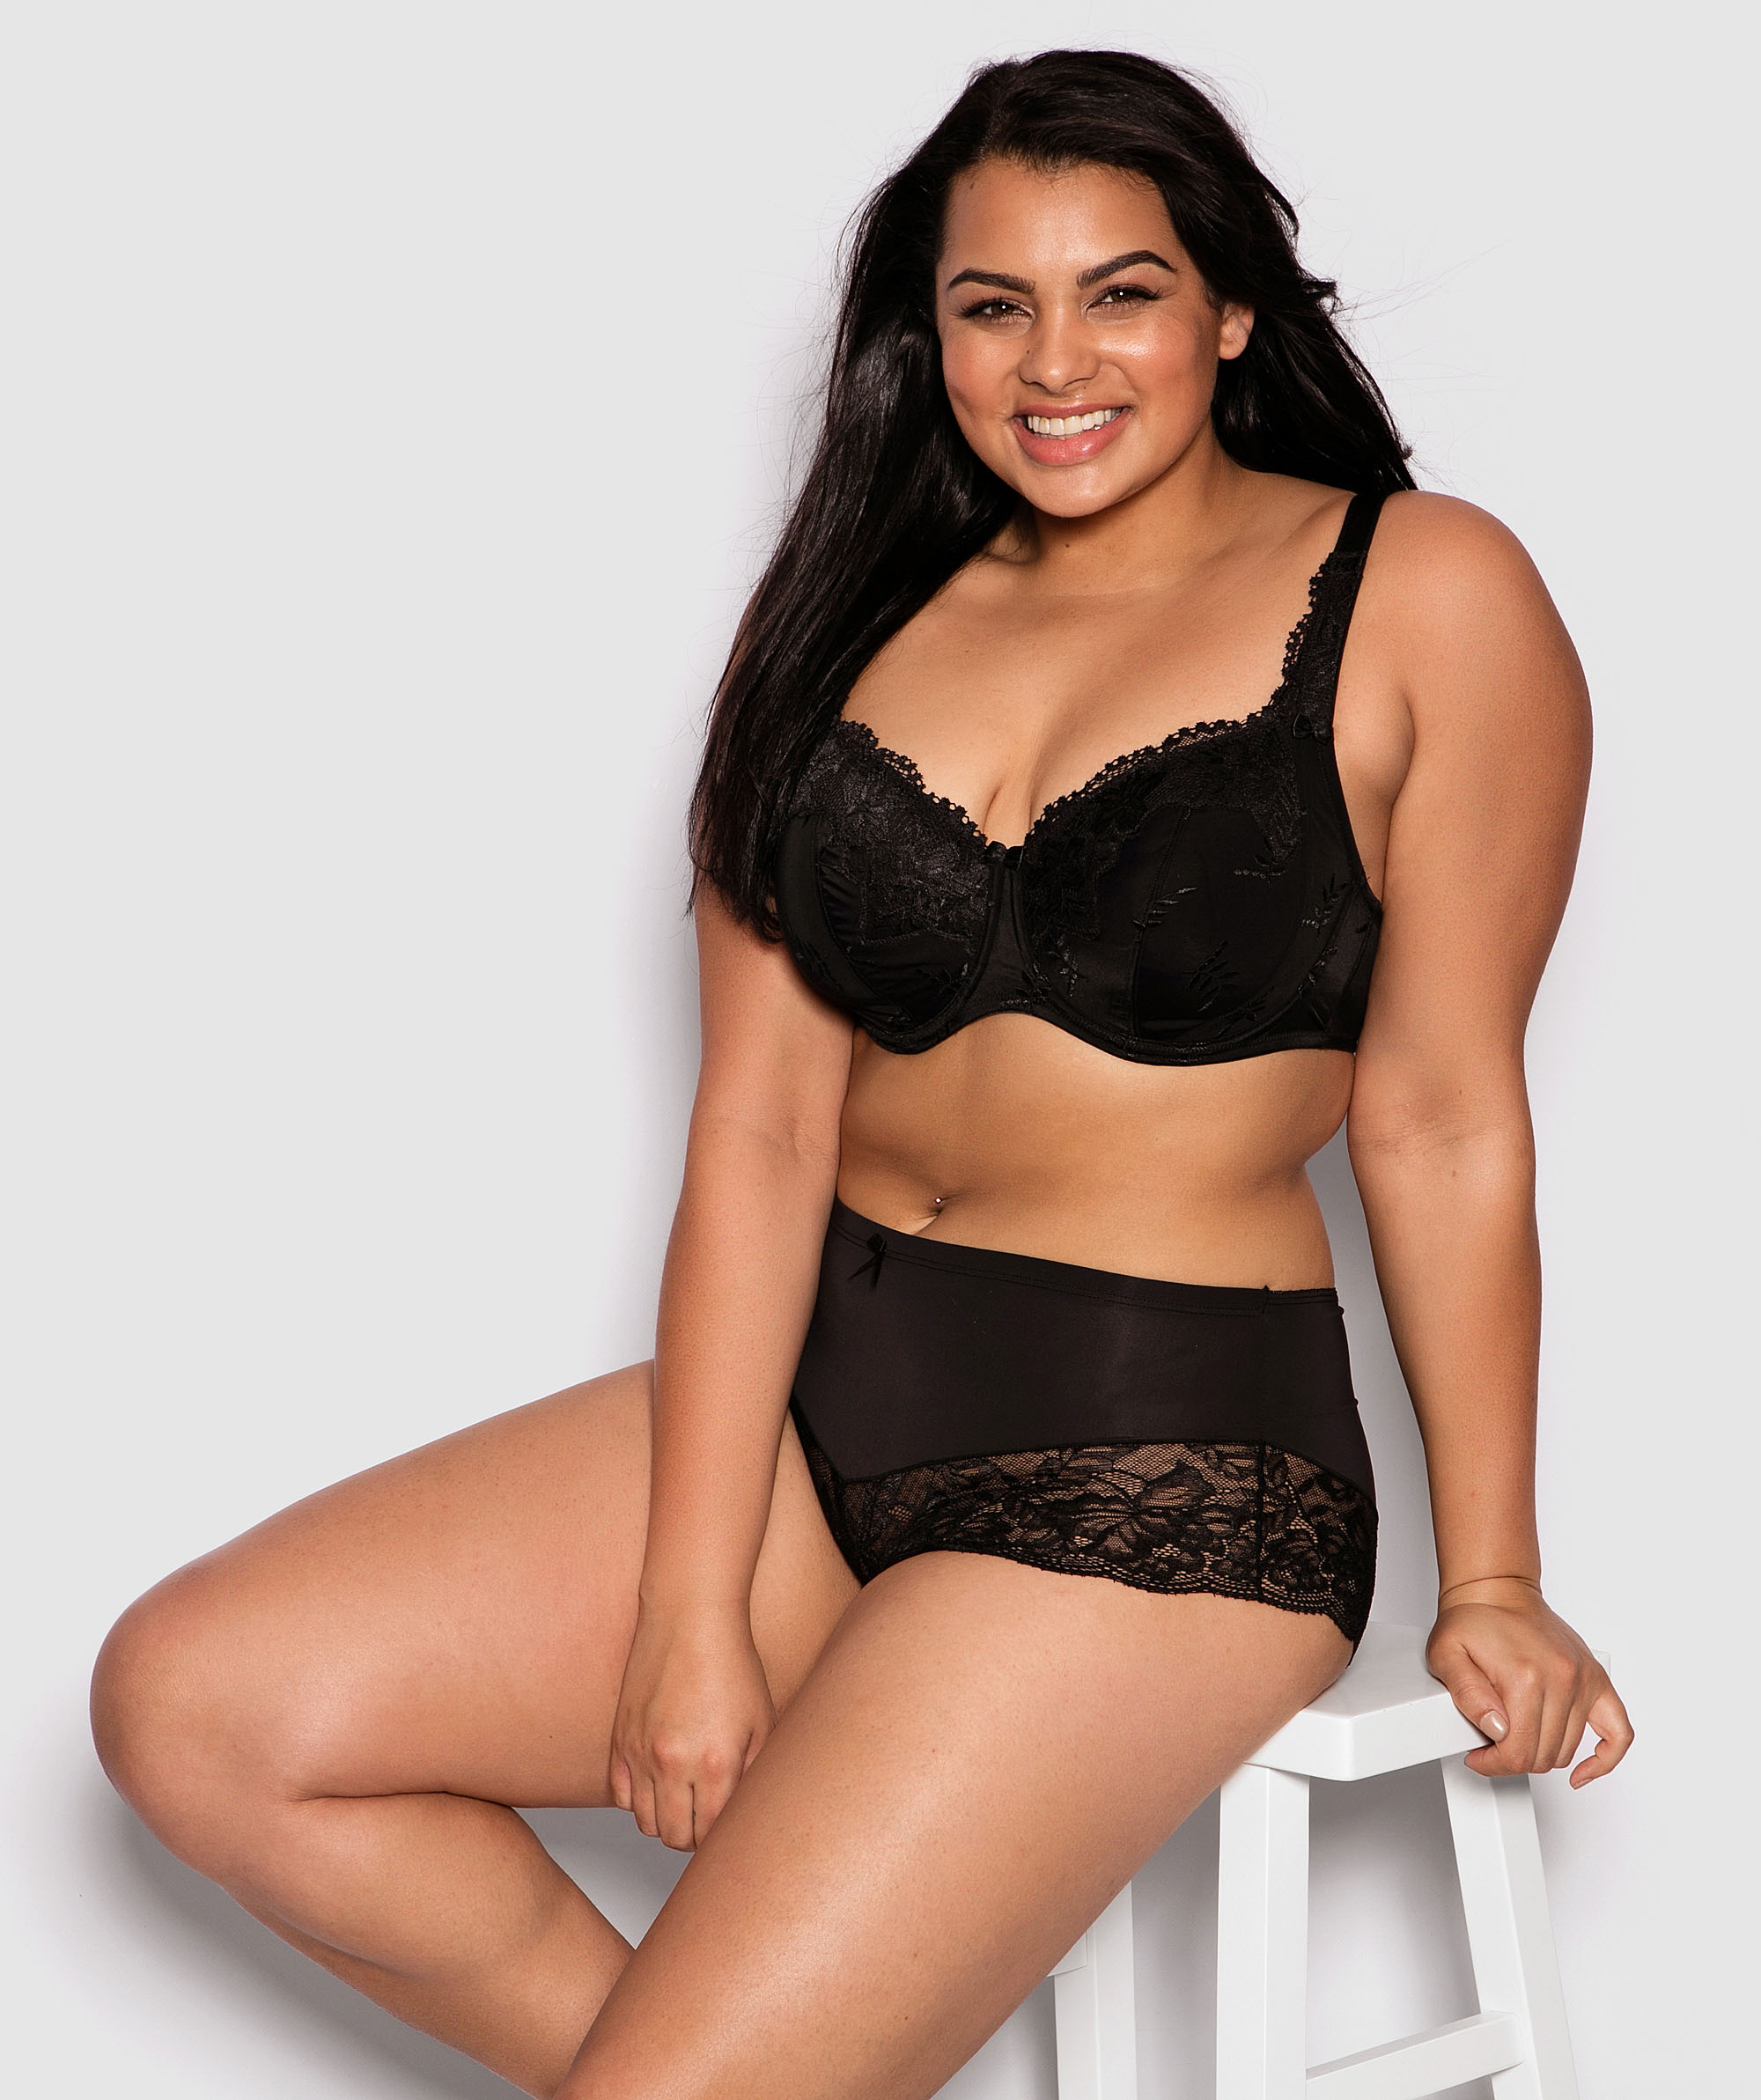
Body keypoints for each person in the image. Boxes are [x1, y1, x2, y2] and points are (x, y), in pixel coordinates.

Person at [88, 48, 1633, 2100]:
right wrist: (689, 1605)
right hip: (827, 1404)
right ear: (931, 332)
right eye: (994, 304)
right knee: (200, 1703)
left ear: (1230, 310)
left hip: (1154, 1466)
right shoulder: (844, 617)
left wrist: (1496, 1571)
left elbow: (1439, 1116)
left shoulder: (1423, 589)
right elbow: (758, 1129)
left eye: (1122, 291)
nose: (1054, 360)